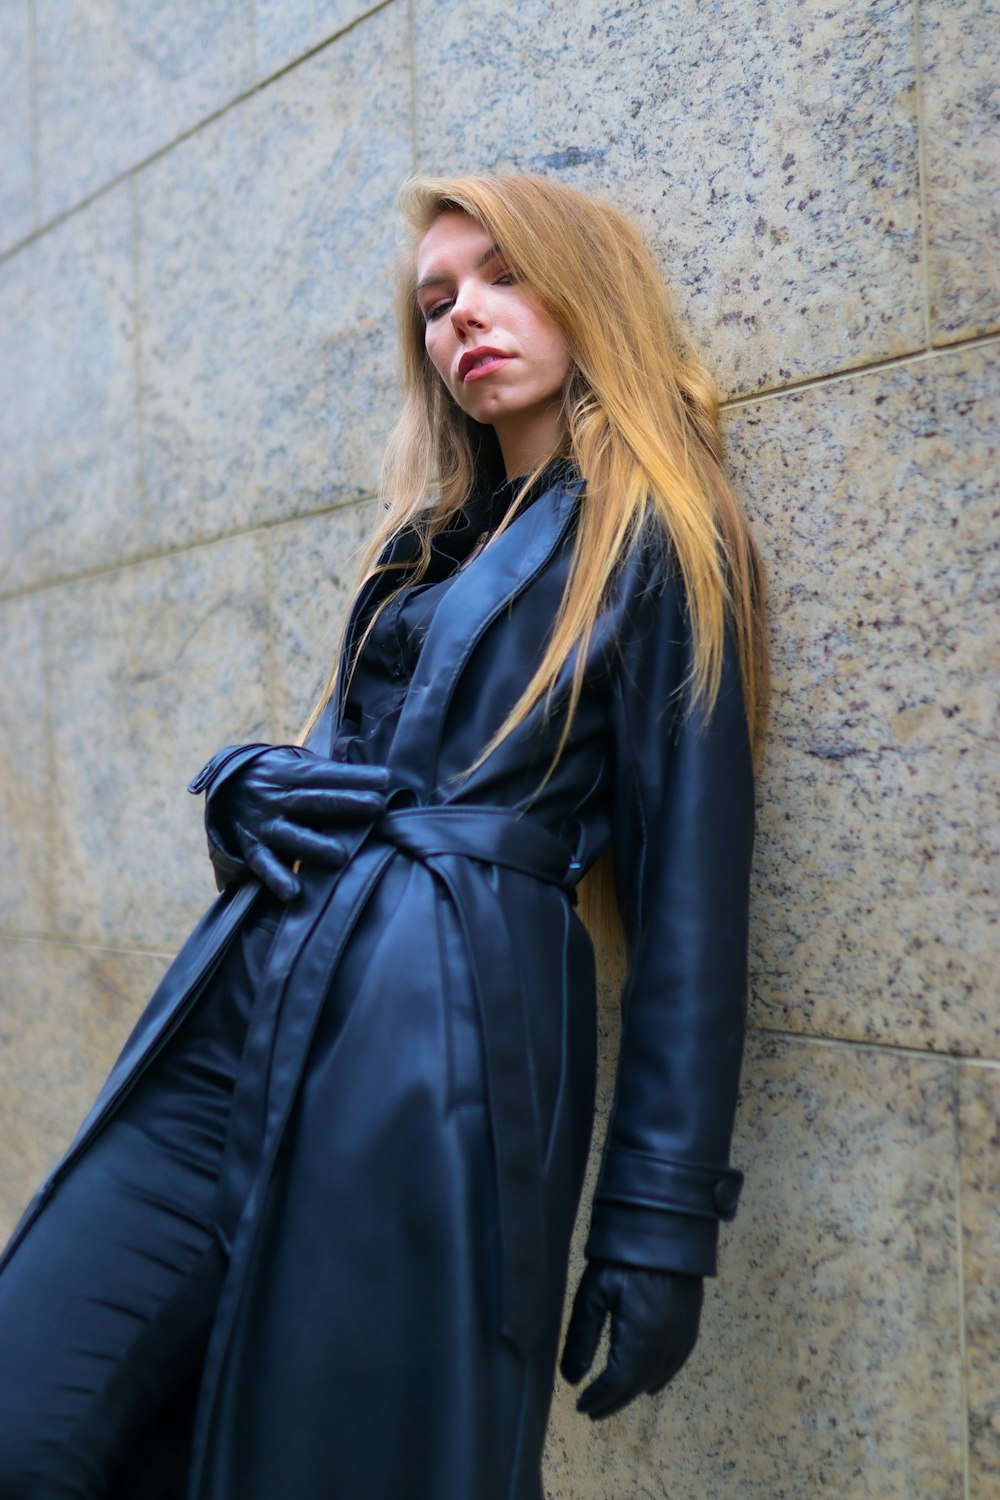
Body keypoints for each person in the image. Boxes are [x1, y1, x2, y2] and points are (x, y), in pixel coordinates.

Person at [0, 172, 767, 1500]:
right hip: (238, 1013)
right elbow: (356, 770)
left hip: (431, 1069)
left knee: (321, 1462)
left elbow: (692, 914)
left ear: (588, 288)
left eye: (504, 276)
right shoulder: (422, 546)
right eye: (436, 302)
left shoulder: (655, 538)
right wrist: (252, 795)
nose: (465, 316)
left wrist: (657, 1227)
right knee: (29, 1415)